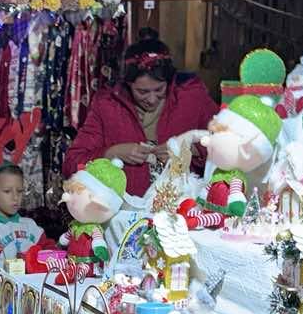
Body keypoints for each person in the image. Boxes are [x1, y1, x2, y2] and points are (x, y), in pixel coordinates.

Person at [63, 28, 218, 196]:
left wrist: (189, 150)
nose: (152, 99)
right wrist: (111, 153)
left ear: (169, 81)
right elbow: (72, 163)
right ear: (127, 84)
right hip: (124, 212)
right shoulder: (107, 105)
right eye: (142, 92)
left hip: (184, 207)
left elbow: (228, 144)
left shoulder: (191, 97)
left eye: (159, 89)